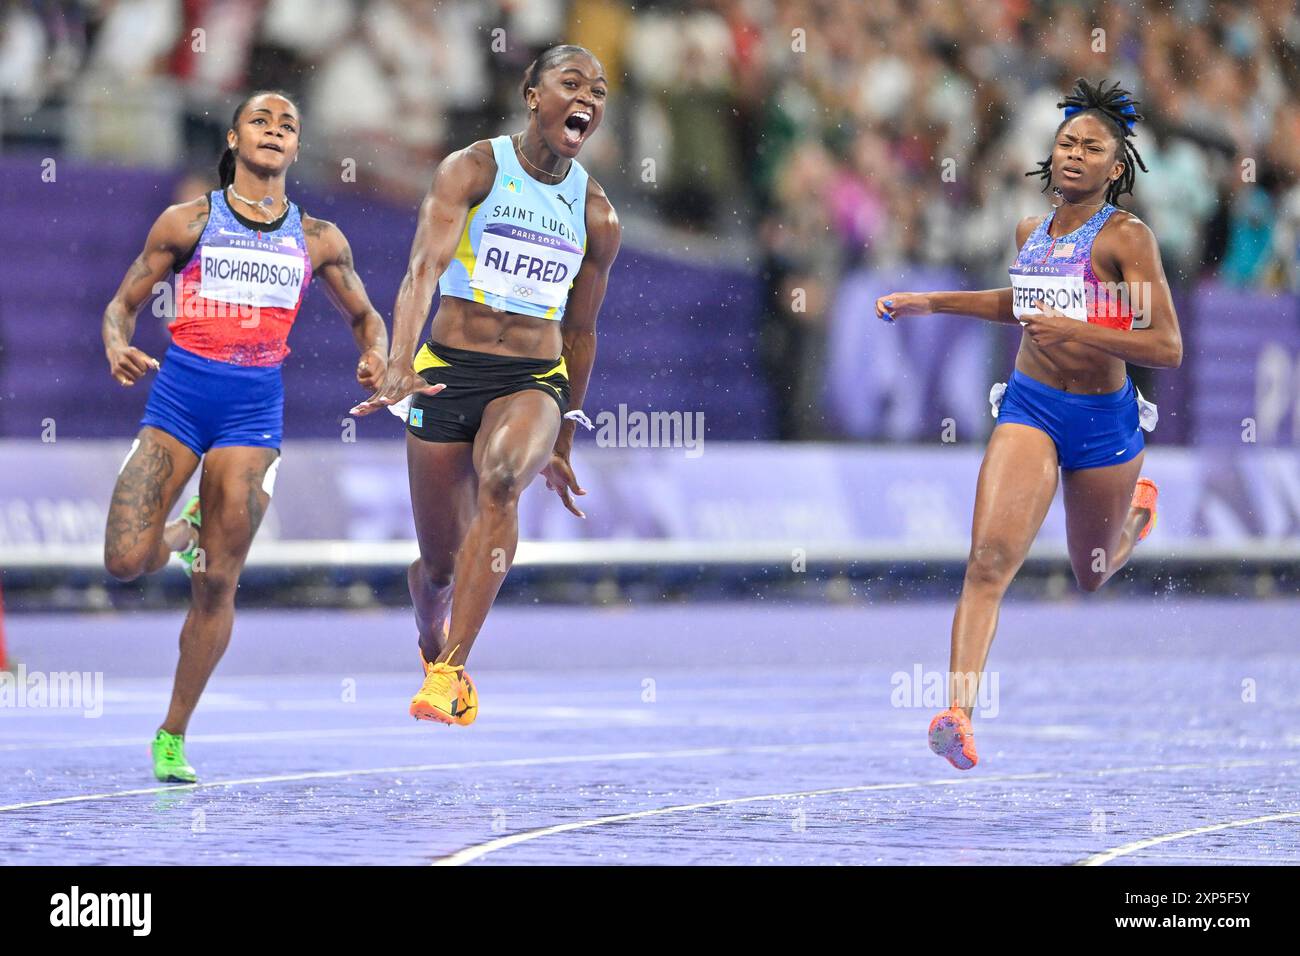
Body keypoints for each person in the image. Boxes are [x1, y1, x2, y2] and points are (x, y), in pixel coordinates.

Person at [874, 79, 1183, 770]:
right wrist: (930, 301)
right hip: (1032, 404)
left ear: (1115, 166)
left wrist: (1078, 325)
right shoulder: (1029, 231)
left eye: (1091, 147)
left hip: (1103, 422)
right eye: (1067, 142)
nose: (1075, 154)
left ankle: (1136, 516)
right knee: (988, 561)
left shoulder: (1126, 241)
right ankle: (958, 711)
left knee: (1092, 572)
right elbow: (1018, 305)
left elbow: (1165, 344)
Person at [102, 91, 390, 782]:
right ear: (234, 138)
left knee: (216, 584)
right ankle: (181, 530)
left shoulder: (319, 238)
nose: (275, 131)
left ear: (295, 149)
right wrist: (116, 342)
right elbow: (122, 303)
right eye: (261, 120)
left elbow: (367, 317)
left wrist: (377, 356)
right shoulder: (188, 221)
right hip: (179, 399)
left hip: (252, 414)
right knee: (123, 560)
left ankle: (172, 734)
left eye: (288, 125)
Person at [350, 44, 621, 726]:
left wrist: (563, 437)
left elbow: (582, 333)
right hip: (446, 372)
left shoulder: (597, 215)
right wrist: (400, 361)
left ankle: (449, 674)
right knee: (437, 567)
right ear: (534, 96)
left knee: (502, 481)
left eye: (599, 89)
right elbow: (422, 269)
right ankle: (430, 638)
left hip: (532, 378)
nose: (587, 96)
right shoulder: (472, 169)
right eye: (571, 82)